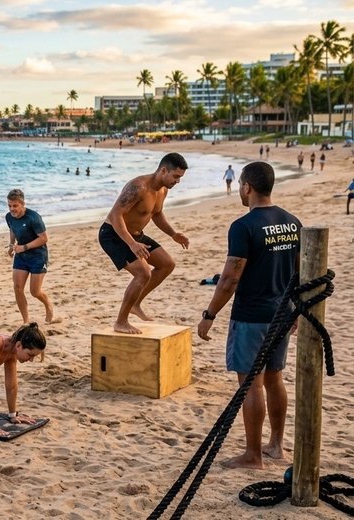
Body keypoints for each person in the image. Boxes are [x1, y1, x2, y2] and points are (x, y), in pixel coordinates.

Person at [197, 162, 301, 469]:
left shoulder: (243, 226)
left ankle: (253, 455)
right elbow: (300, 270)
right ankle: (276, 446)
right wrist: (294, 309)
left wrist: (209, 314)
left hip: (252, 316)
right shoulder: (292, 222)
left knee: (252, 384)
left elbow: (229, 278)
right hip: (281, 313)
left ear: (247, 187)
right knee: (274, 379)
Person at [98, 152, 190, 334]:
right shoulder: (138, 187)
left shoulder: (162, 190)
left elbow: (156, 214)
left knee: (167, 264)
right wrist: (132, 243)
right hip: (113, 234)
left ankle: (136, 303)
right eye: (176, 176)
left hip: (136, 235)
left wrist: (173, 234)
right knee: (143, 273)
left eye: (180, 177)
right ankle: (121, 322)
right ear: (163, 170)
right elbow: (116, 215)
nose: (178, 181)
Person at [6, 189, 54, 324]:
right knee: (17, 288)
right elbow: (12, 229)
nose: (12, 209)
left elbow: (44, 238)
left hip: (38, 256)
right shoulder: (8, 217)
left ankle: (48, 305)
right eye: (9, 205)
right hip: (21, 256)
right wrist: (11, 244)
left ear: (22, 204)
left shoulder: (34, 217)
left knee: (35, 291)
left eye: (15, 206)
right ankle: (26, 321)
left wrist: (24, 247)